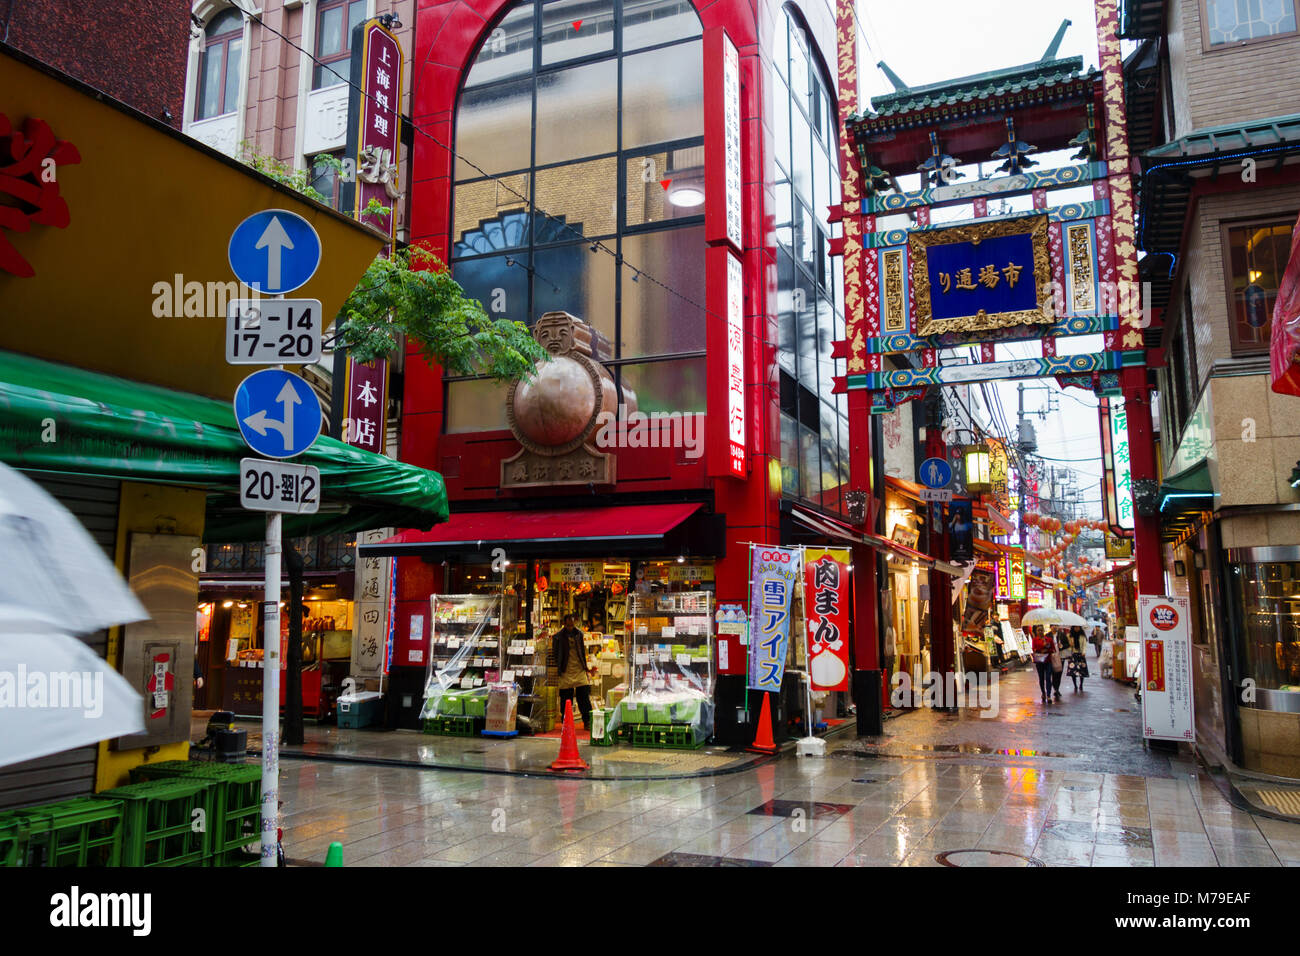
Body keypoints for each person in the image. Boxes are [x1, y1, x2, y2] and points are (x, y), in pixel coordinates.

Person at [554, 614, 594, 730]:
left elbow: (582, 651)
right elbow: (556, 655)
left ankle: (587, 721)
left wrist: (585, 667)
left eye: (572, 624)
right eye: (568, 625)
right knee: (566, 698)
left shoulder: (579, 634)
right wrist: (560, 667)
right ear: (564, 624)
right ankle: (566, 722)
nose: (570, 627)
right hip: (565, 670)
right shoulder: (558, 637)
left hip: (579, 668)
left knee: (584, 696)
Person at [1030, 626, 1055, 703]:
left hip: (1048, 660)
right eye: (1038, 630)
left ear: (1043, 631)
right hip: (1039, 661)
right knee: (1041, 678)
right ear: (1036, 631)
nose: (1040, 631)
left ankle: (1048, 695)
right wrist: (1041, 649)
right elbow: (1034, 648)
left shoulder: (1049, 639)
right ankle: (1043, 693)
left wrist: (1047, 649)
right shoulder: (1034, 640)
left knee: (1048, 677)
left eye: (1041, 630)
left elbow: (1053, 649)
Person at [1066, 626, 1090, 692]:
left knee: (1081, 671)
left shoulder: (1082, 636)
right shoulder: (1069, 636)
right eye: (1075, 627)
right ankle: (1075, 685)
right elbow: (1067, 645)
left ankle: (1081, 684)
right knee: (1073, 671)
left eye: (1078, 627)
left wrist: (1084, 652)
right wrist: (1070, 645)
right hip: (1073, 654)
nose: (1077, 628)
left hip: (1081, 654)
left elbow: (1084, 645)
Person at [1049, 628, 1066, 700]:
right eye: (1053, 625)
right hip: (1052, 657)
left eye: (1056, 625)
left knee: (1059, 673)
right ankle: (1055, 688)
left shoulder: (1061, 635)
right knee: (1053, 673)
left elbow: (1067, 644)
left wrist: (1061, 646)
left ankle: (1057, 688)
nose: (1054, 627)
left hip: (1061, 656)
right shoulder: (1048, 635)